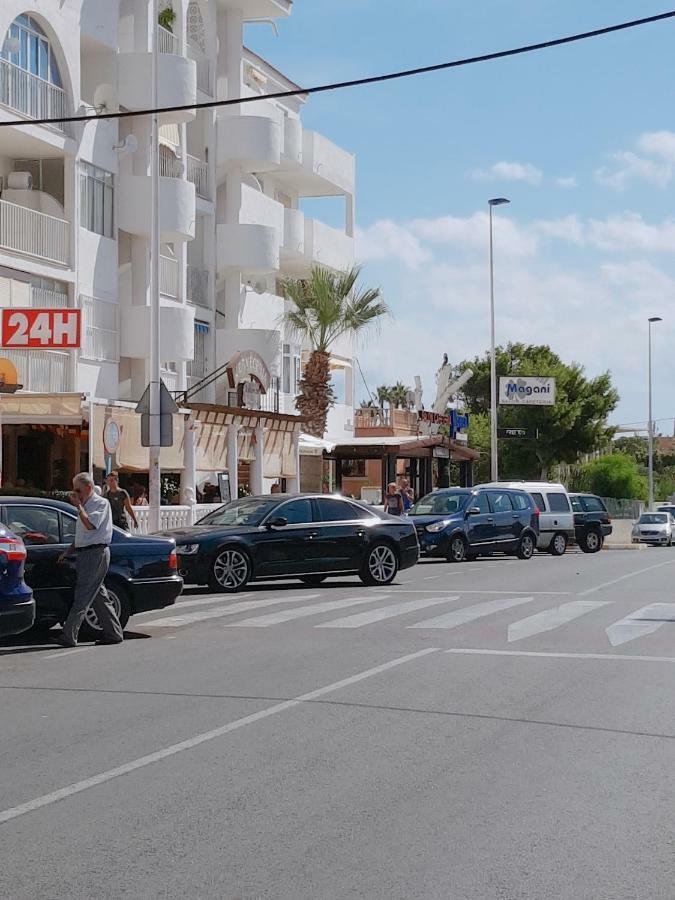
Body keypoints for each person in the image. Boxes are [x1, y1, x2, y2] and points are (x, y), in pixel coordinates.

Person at [54, 472, 124, 647]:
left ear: (88, 488)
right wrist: (69, 551)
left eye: (78, 489)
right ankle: (114, 633)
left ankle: (69, 635)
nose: (75, 492)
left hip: (96, 553)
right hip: (85, 553)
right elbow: (82, 535)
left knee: (83, 595)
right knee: (99, 596)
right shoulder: (85, 505)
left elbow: (91, 526)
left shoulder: (100, 503)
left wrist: (79, 507)